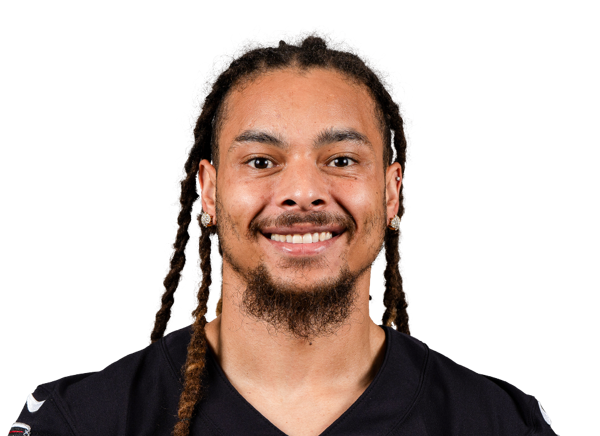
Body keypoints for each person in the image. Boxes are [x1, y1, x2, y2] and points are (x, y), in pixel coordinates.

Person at [9, 29, 558, 436]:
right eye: (261, 161)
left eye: (341, 160)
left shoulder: (501, 423)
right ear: (209, 191)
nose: (302, 192)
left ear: (392, 192)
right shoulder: (82, 421)